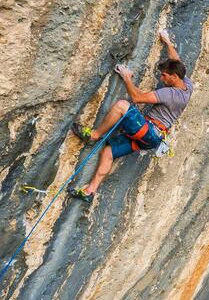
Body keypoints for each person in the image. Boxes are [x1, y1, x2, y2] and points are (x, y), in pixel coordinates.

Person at [68, 30, 193, 203]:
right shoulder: (187, 85)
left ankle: (94, 135)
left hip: (150, 131)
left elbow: (137, 98)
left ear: (174, 77)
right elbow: (176, 60)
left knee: (121, 106)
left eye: (164, 75)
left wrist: (127, 77)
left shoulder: (170, 94)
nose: (161, 78)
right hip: (149, 138)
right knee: (108, 151)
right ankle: (90, 191)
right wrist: (167, 42)